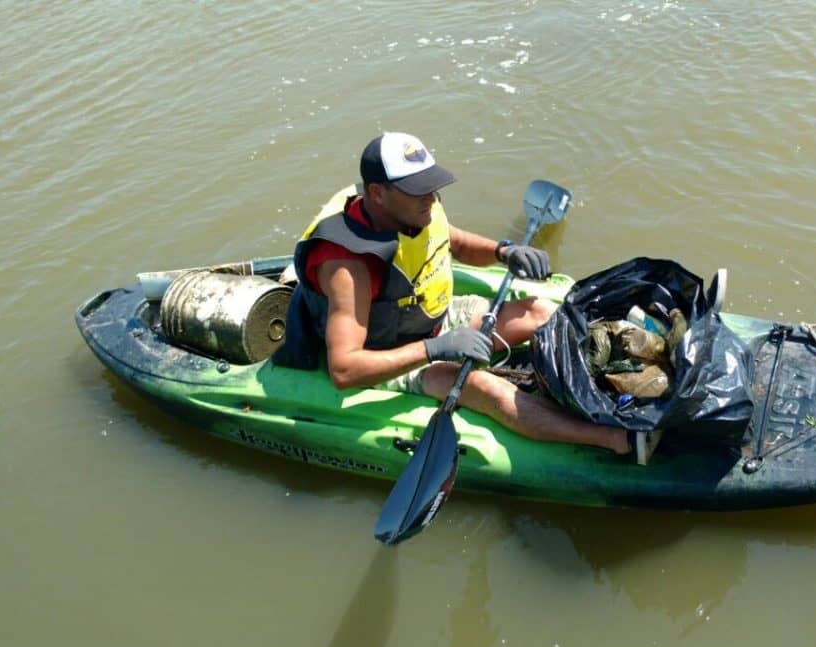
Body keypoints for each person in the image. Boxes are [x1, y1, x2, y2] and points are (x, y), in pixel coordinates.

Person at [273, 131, 660, 463]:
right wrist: (436, 348)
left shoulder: (417, 208)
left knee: (540, 313)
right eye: (416, 191)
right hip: (388, 352)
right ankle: (621, 440)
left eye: (430, 185)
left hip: (432, 317)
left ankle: (634, 355)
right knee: (483, 387)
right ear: (378, 193)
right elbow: (344, 369)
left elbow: (453, 240)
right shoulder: (348, 267)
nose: (430, 197)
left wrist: (504, 252)